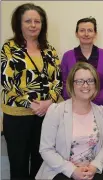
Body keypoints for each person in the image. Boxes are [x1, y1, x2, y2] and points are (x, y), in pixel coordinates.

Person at [1, 3, 62, 179]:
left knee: (41, 163)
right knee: (18, 164)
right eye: (28, 21)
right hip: (16, 116)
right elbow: (7, 82)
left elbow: (58, 80)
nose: (33, 25)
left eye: (37, 21)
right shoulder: (9, 48)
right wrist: (31, 104)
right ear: (19, 24)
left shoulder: (49, 49)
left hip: (45, 115)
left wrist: (49, 102)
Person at [36, 62, 103, 180]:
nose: (85, 85)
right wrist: (72, 170)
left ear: (96, 85)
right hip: (60, 170)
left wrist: (93, 167)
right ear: (72, 84)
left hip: (91, 171)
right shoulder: (56, 111)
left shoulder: (101, 112)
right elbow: (46, 149)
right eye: (79, 81)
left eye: (90, 81)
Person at [61, 17, 103, 109]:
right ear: (76, 34)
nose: (86, 34)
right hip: (75, 107)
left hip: (100, 107)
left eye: (90, 30)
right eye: (82, 30)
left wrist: (97, 100)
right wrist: (76, 100)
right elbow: (64, 83)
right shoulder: (67, 56)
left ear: (95, 34)